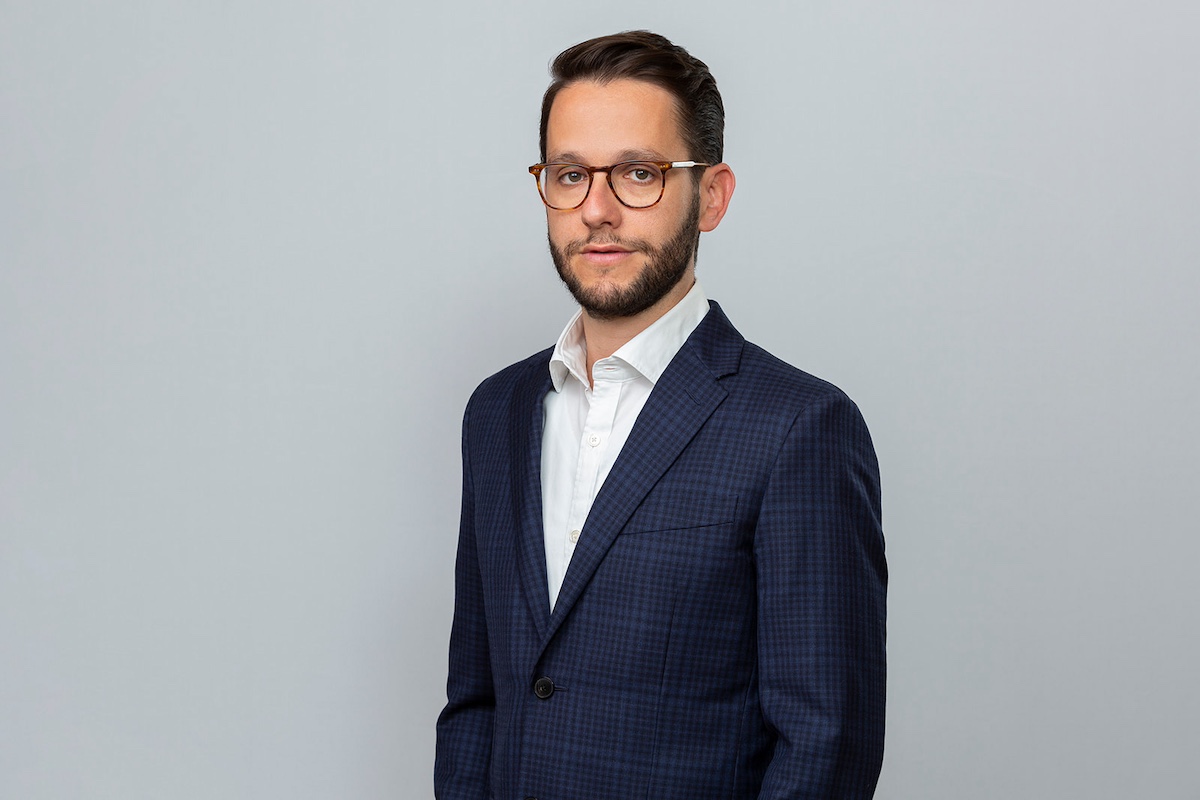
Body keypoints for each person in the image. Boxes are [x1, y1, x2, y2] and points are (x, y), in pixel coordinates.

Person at [435, 30, 886, 800]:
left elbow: (826, 745)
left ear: (711, 196)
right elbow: (478, 699)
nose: (597, 210)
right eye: (570, 175)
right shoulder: (497, 413)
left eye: (639, 174)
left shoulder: (798, 427)